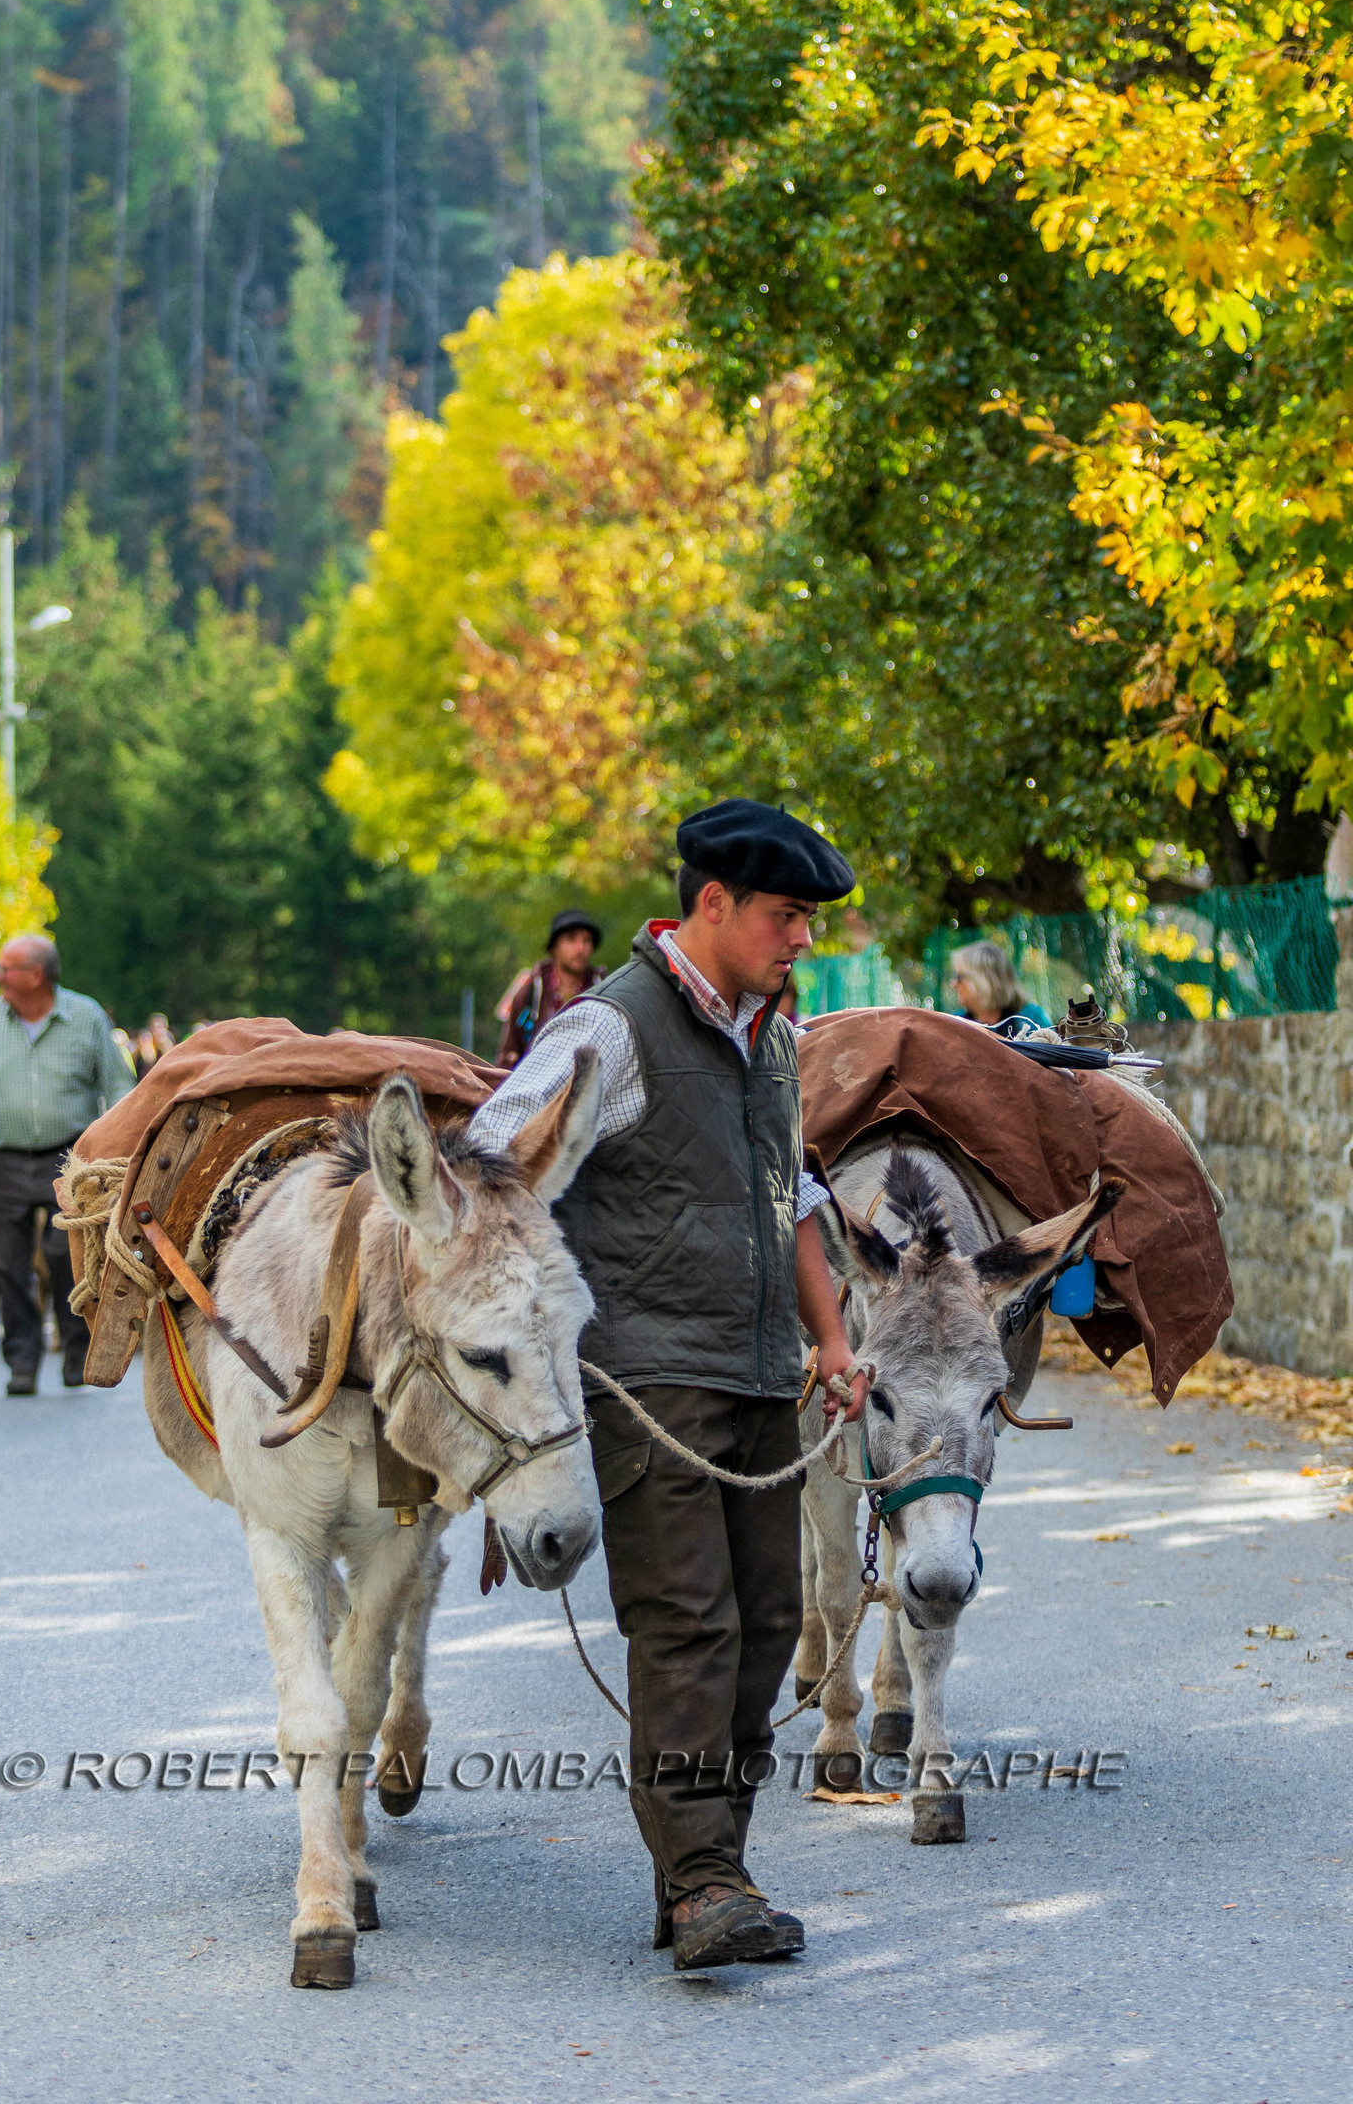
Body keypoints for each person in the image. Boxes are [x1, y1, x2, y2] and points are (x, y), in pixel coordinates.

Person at [471, 800, 864, 1972]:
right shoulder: (609, 1030)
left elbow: (783, 1195)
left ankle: (712, 1872)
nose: (802, 939)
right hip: (644, 1383)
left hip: (754, 1374)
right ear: (712, 904)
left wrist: (832, 1340)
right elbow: (495, 1164)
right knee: (688, 1622)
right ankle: (699, 1879)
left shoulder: (772, 1039)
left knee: (767, 1623)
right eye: (786, 916)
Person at [0, 935, 134, 1396]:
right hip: (4, 1159)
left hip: (69, 1157)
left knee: (64, 1256)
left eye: (6, 968)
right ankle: (22, 1361)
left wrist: (109, 1154)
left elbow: (119, 1086)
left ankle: (75, 1350)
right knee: (8, 1264)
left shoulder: (86, 1017)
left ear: (36, 976)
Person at [495, 910, 607, 1068]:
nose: (580, 947)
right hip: (536, 1085)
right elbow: (509, 1055)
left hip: (591, 1087)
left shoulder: (604, 993)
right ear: (554, 947)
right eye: (571, 939)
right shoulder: (531, 994)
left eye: (587, 940)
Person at [949, 938, 1050, 1031]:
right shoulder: (955, 1023)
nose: (953, 984)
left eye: (959, 977)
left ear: (984, 981)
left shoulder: (1030, 1019)